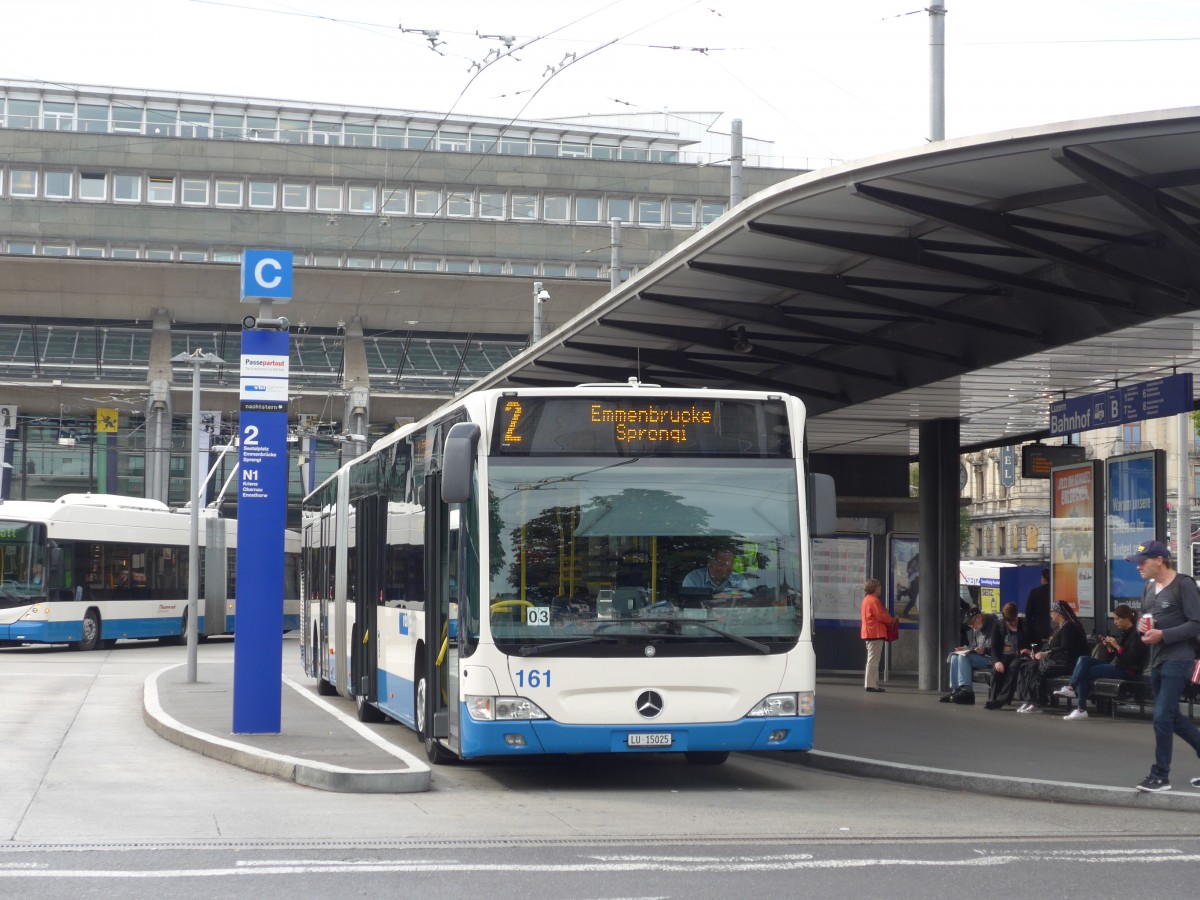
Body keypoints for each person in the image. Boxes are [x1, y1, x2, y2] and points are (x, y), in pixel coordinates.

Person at [1124, 541, 1200, 793]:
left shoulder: (1183, 585)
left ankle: (1160, 776)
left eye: (1142, 561)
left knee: (1162, 717)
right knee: (1173, 718)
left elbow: (1196, 624)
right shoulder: (1148, 588)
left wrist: (1163, 635)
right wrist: (1142, 628)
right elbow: (1143, 620)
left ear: (1159, 560)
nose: (1138, 566)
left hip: (1179, 658)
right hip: (1156, 660)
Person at [1055, 604, 1148, 720]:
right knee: (1083, 659)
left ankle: (1081, 708)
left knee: (1083, 673)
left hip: (1126, 671)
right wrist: (1110, 648)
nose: (1115, 622)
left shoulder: (1136, 634)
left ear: (1126, 618)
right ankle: (1071, 689)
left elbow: (1131, 658)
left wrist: (1116, 645)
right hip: (1117, 665)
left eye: (1117, 619)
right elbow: (1118, 656)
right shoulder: (1125, 632)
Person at [1012, 600, 1087, 714]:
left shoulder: (1069, 627)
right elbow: (1051, 646)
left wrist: (1047, 653)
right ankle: (1028, 699)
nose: (1050, 615)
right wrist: (1038, 652)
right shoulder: (1060, 627)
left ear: (1058, 613)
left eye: (1052, 612)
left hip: (1066, 662)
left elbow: (1066, 647)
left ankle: (1036, 701)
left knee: (1035, 668)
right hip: (1057, 660)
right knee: (1026, 666)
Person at [983, 602, 1035, 710]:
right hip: (1005, 655)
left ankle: (1000, 700)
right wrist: (997, 661)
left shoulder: (1025, 624)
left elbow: (1037, 642)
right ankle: (994, 698)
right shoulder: (999, 625)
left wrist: (1030, 650)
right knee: (997, 669)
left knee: (1013, 667)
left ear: (1017, 616)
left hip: (1022, 655)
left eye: (1014, 620)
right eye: (1009, 622)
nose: (1012, 624)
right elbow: (994, 646)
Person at [941, 607, 994, 704]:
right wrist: (967, 649)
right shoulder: (976, 628)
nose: (973, 627)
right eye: (970, 625)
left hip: (992, 658)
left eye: (973, 623)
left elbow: (997, 647)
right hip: (981, 656)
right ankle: (956, 690)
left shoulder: (993, 625)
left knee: (964, 657)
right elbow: (974, 646)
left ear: (979, 617)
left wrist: (985, 649)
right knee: (955, 657)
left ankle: (967, 691)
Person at [860, 578, 894, 693]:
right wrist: (891, 620)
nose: (880, 589)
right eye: (879, 587)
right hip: (875, 632)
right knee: (873, 661)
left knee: (872, 659)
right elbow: (880, 616)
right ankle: (871, 685)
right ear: (874, 588)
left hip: (869, 632)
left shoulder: (866, 600)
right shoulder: (874, 601)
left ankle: (873, 683)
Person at [682, 549, 749, 600]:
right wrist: (712, 598)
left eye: (731, 564)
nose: (730, 569)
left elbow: (747, 602)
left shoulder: (739, 579)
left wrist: (736, 599)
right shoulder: (693, 579)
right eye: (724, 565)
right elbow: (688, 603)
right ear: (711, 566)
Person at [1025, 568, 1051, 644]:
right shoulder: (1056, 592)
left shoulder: (1034, 592)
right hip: (1054, 629)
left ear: (1044, 579)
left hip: (1038, 630)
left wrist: (1030, 629)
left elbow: (1028, 613)